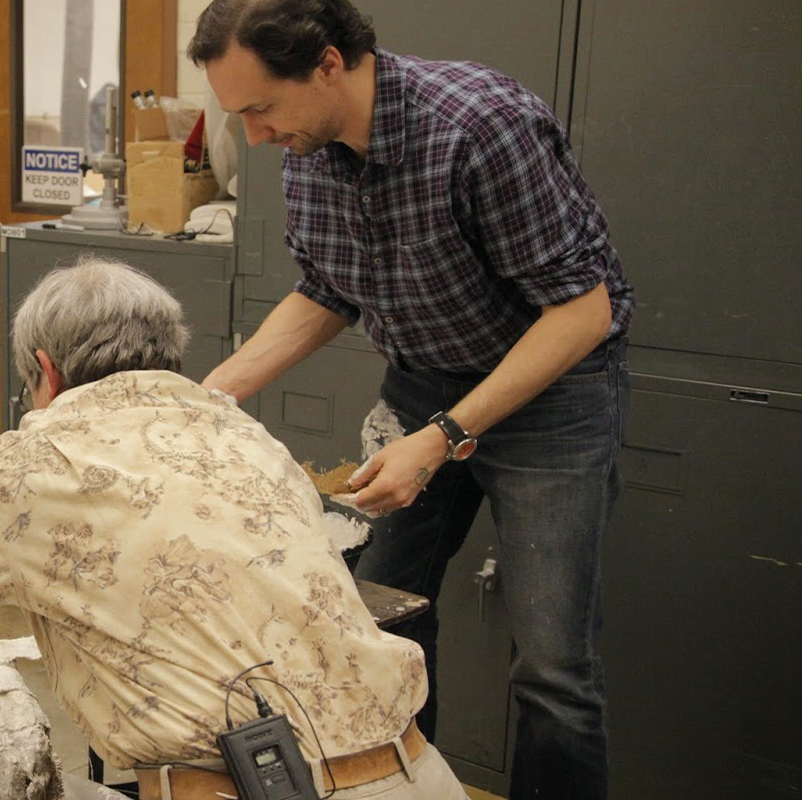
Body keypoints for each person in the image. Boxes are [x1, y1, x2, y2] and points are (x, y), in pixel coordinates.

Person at [0, 258, 468, 800]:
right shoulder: (244, 432)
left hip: (254, 787)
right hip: (420, 772)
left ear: (45, 371)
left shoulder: (26, 465)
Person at [186, 2, 634, 798]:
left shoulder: (480, 126)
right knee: (381, 620)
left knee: (553, 667)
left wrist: (444, 437)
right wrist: (208, 396)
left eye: (260, 108)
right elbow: (327, 290)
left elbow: (583, 309)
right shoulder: (310, 147)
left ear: (328, 64)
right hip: (424, 384)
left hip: (555, 398)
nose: (253, 137)